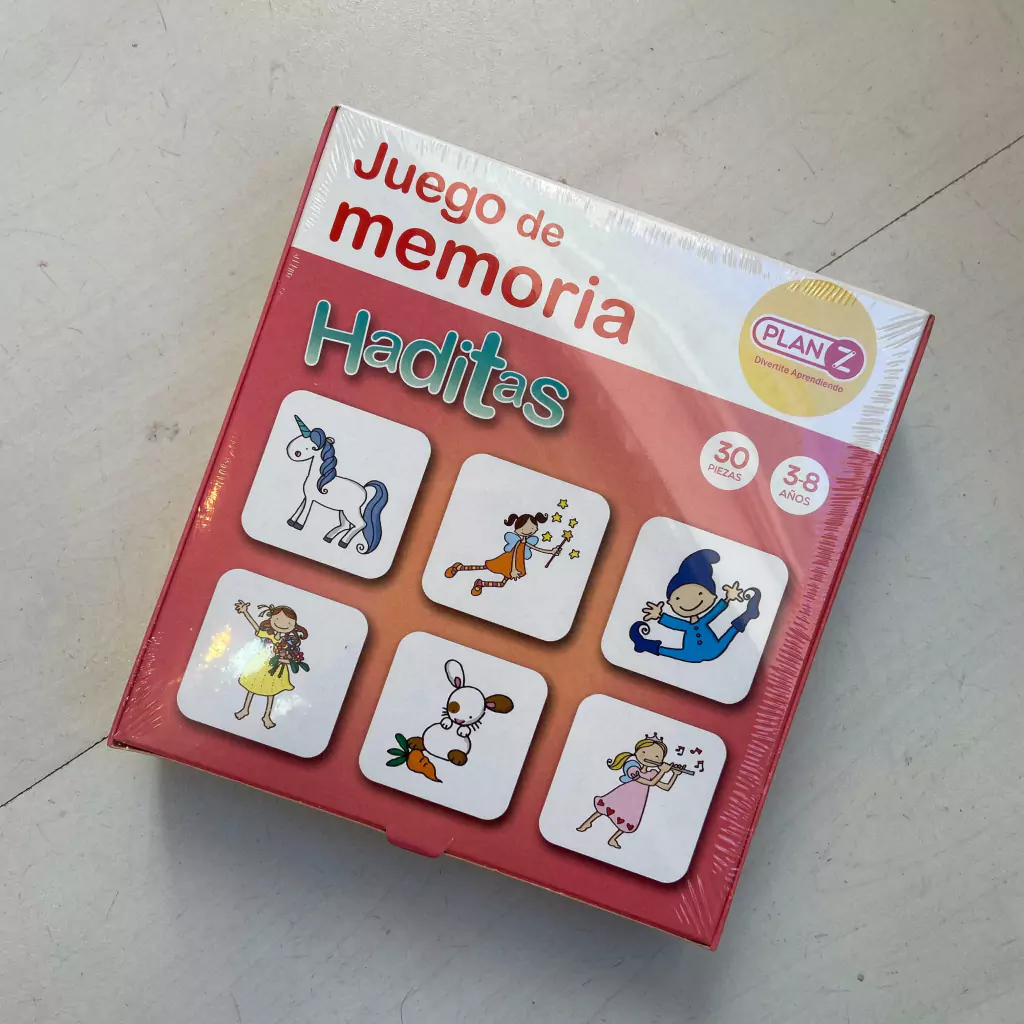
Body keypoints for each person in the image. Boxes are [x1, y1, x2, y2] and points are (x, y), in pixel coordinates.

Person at [629, 549, 761, 663]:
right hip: (690, 654)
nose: (689, 602)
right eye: (678, 598)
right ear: (670, 603)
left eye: (700, 594)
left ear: (713, 596)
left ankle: (748, 614)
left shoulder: (703, 621)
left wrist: (727, 599)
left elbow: (714, 612)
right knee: (668, 651)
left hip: (714, 649)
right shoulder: (687, 625)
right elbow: (675, 624)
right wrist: (659, 616)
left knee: (730, 633)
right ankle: (644, 645)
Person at [577, 735, 685, 848]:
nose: (649, 757)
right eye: (644, 752)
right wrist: (662, 772)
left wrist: (675, 774)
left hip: (637, 801)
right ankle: (587, 823)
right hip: (624, 793)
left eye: (657, 756)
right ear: (637, 751)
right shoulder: (632, 767)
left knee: (628, 818)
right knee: (607, 806)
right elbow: (650, 783)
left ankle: (613, 839)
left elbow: (666, 787)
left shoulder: (652, 773)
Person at [233, 600, 309, 729]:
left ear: (294, 625)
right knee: (252, 687)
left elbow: (292, 660)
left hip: (276, 669)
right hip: (260, 664)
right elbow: (256, 627)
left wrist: (283, 660)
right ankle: (245, 709)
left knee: (271, 691)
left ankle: (267, 716)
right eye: (278, 619)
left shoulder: (289, 642)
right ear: (272, 619)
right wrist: (245, 612)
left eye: (288, 623)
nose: (282, 624)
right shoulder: (268, 634)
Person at [445, 512, 561, 596]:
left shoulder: (525, 541)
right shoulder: (519, 542)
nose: (529, 531)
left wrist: (551, 551)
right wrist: (513, 570)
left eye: (532, 529)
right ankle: (459, 567)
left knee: (501, 584)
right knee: (485, 567)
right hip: (509, 561)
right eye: (525, 529)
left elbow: (536, 548)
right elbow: (514, 554)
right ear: (517, 529)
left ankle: (480, 583)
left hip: (517, 564)